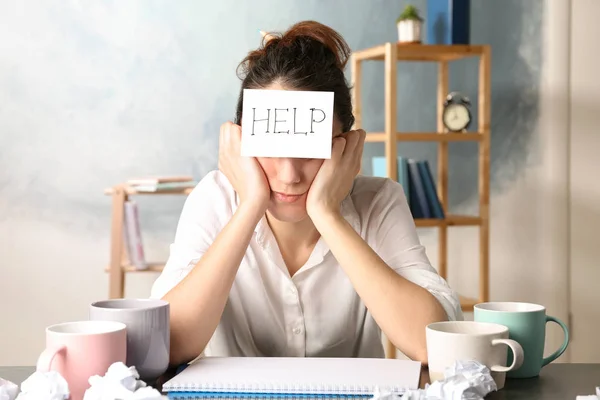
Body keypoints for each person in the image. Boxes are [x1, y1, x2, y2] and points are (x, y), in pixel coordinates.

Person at [150, 20, 462, 366]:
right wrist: (250, 207)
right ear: (240, 144)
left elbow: (436, 344)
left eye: (311, 152)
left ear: (347, 146)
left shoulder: (379, 201)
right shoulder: (213, 199)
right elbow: (167, 344)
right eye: (269, 150)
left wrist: (327, 214)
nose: (290, 175)